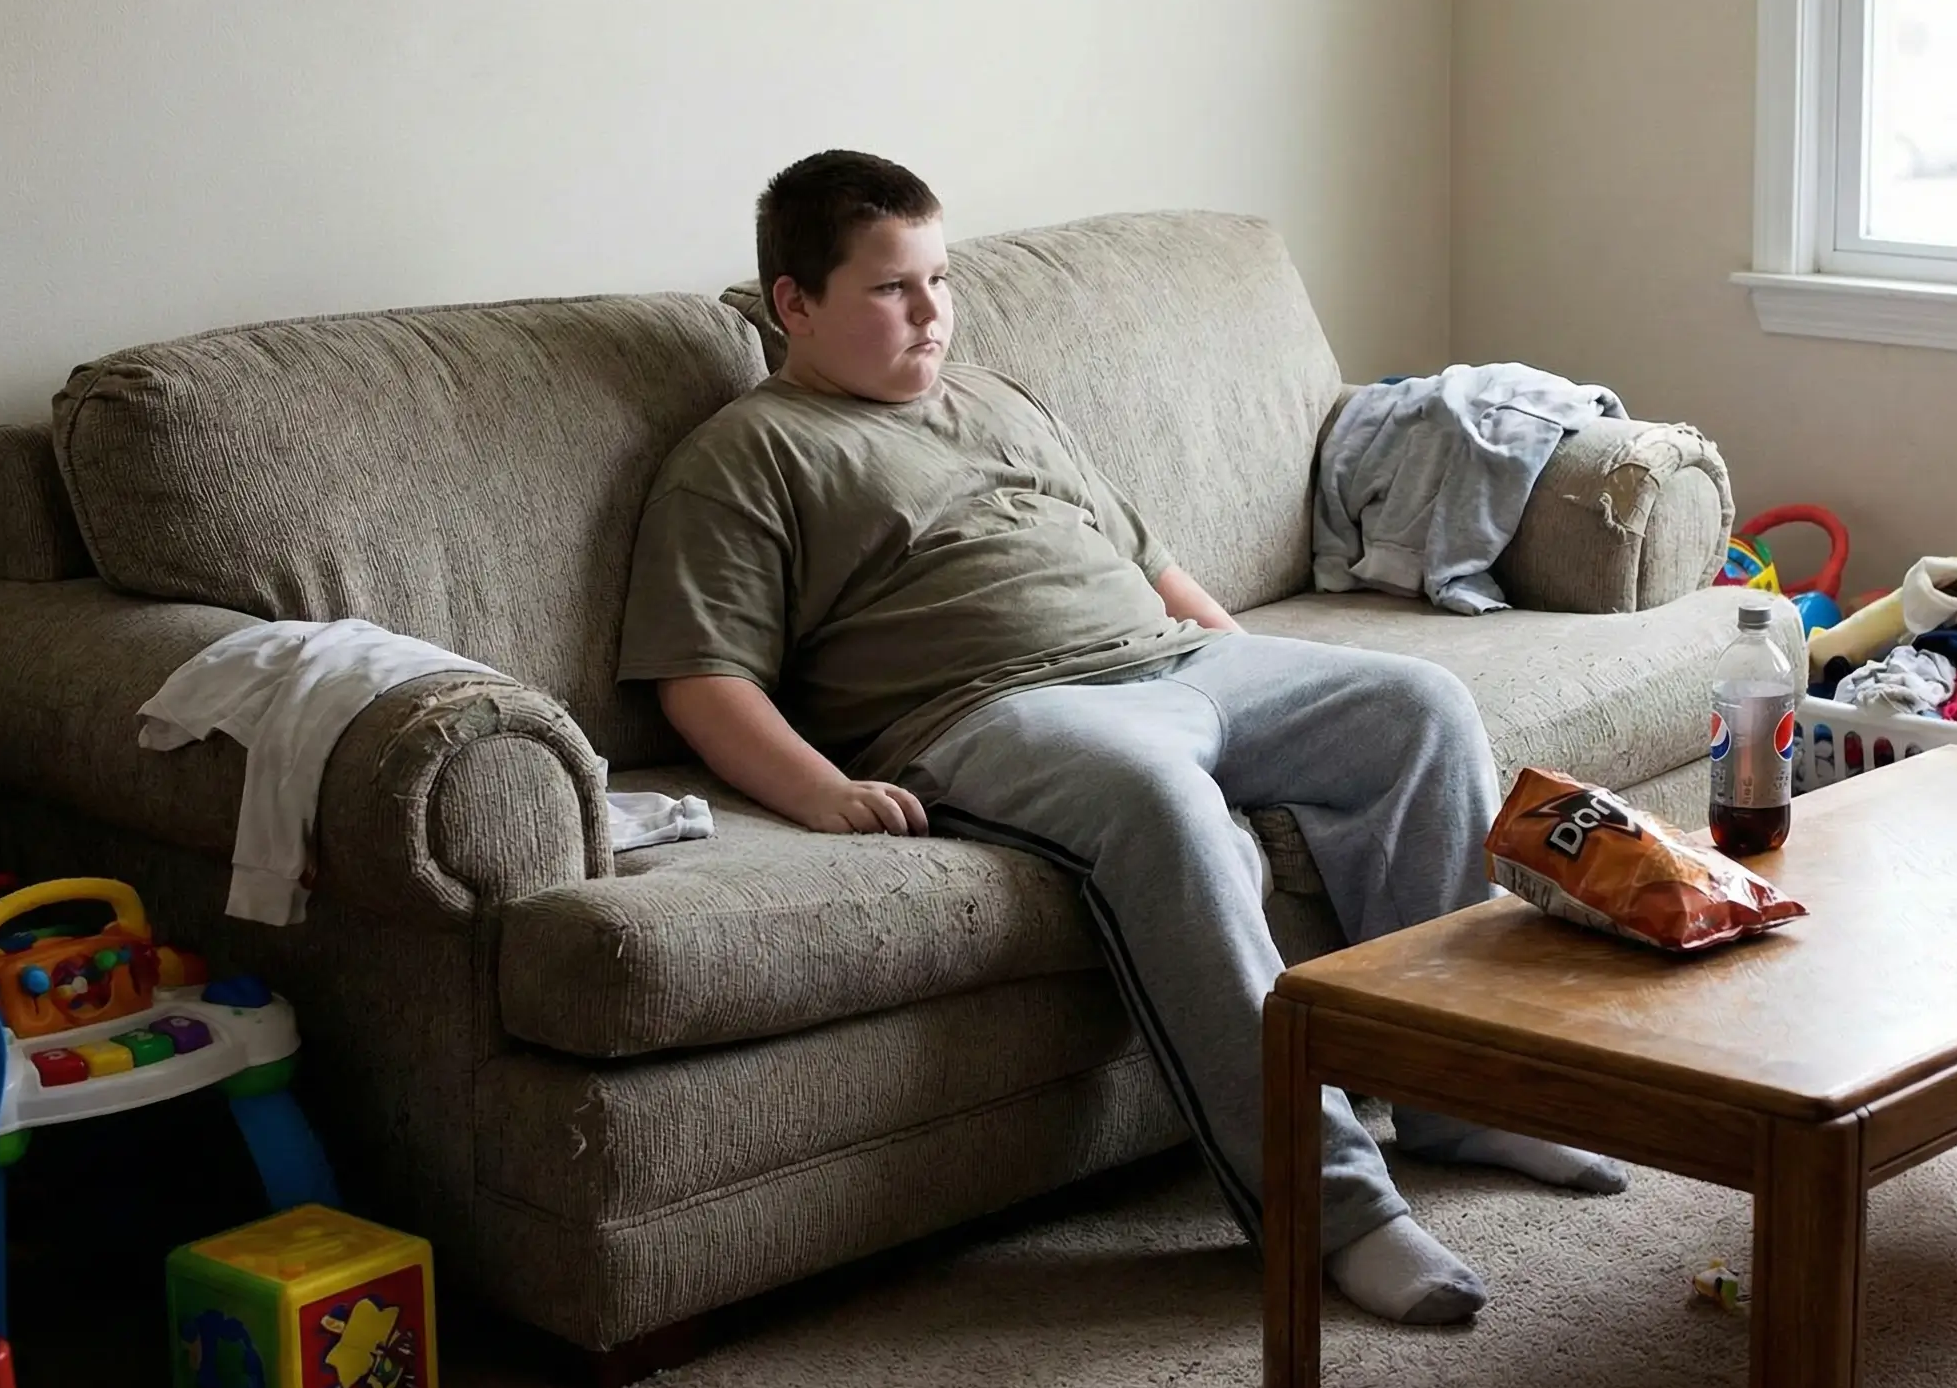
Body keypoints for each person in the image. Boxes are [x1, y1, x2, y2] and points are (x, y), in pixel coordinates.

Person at [617, 151, 1624, 1324]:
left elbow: (1148, 564)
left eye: (939, 278)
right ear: (794, 303)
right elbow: (699, 675)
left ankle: (1464, 1097)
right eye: (892, 289)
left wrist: (1243, 662)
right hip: (989, 711)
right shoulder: (749, 454)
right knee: (1158, 796)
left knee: (1417, 704)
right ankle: (1333, 1209)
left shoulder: (999, 399)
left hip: (1175, 662)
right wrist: (819, 790)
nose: (933, 312)